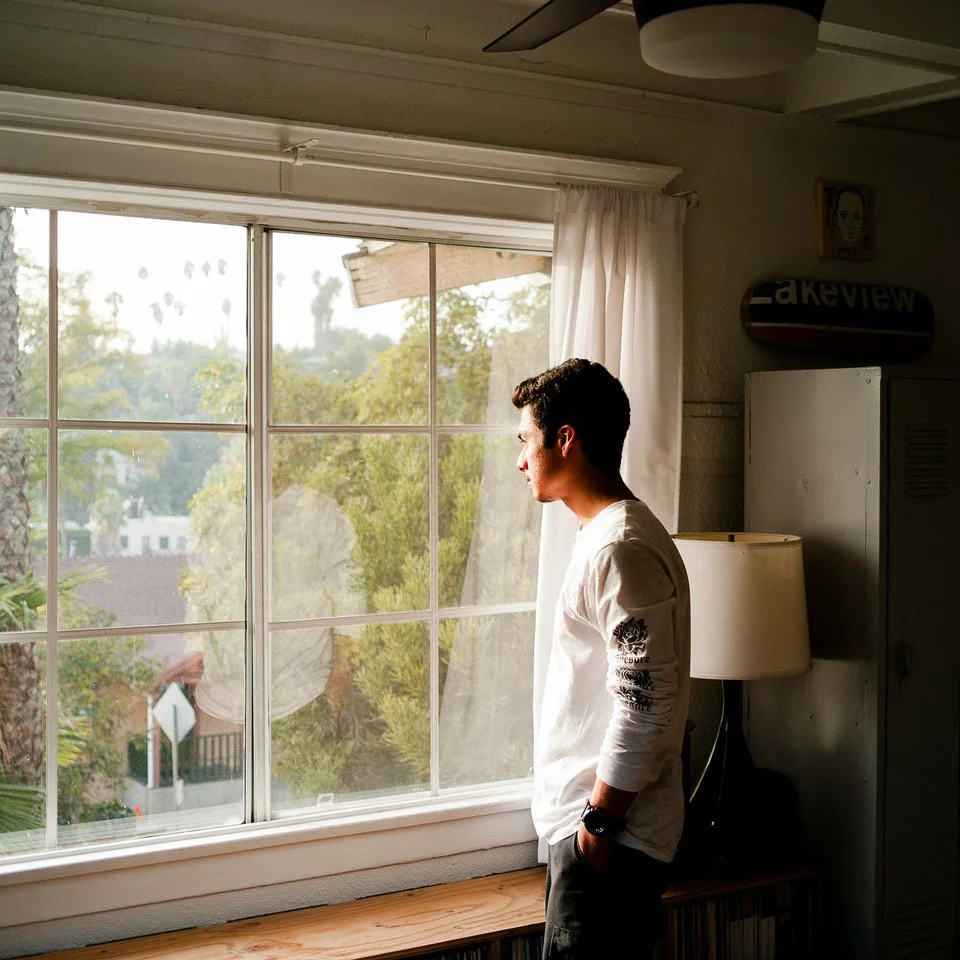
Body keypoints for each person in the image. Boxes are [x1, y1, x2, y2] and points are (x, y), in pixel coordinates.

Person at [513, 358, 691, 959]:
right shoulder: (608, 535)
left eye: (526, 441)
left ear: (565, 440)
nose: (520, 461)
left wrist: (596, 826)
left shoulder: (620, 548)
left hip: (612, 842)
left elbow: (645, 703)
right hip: (604, 835)